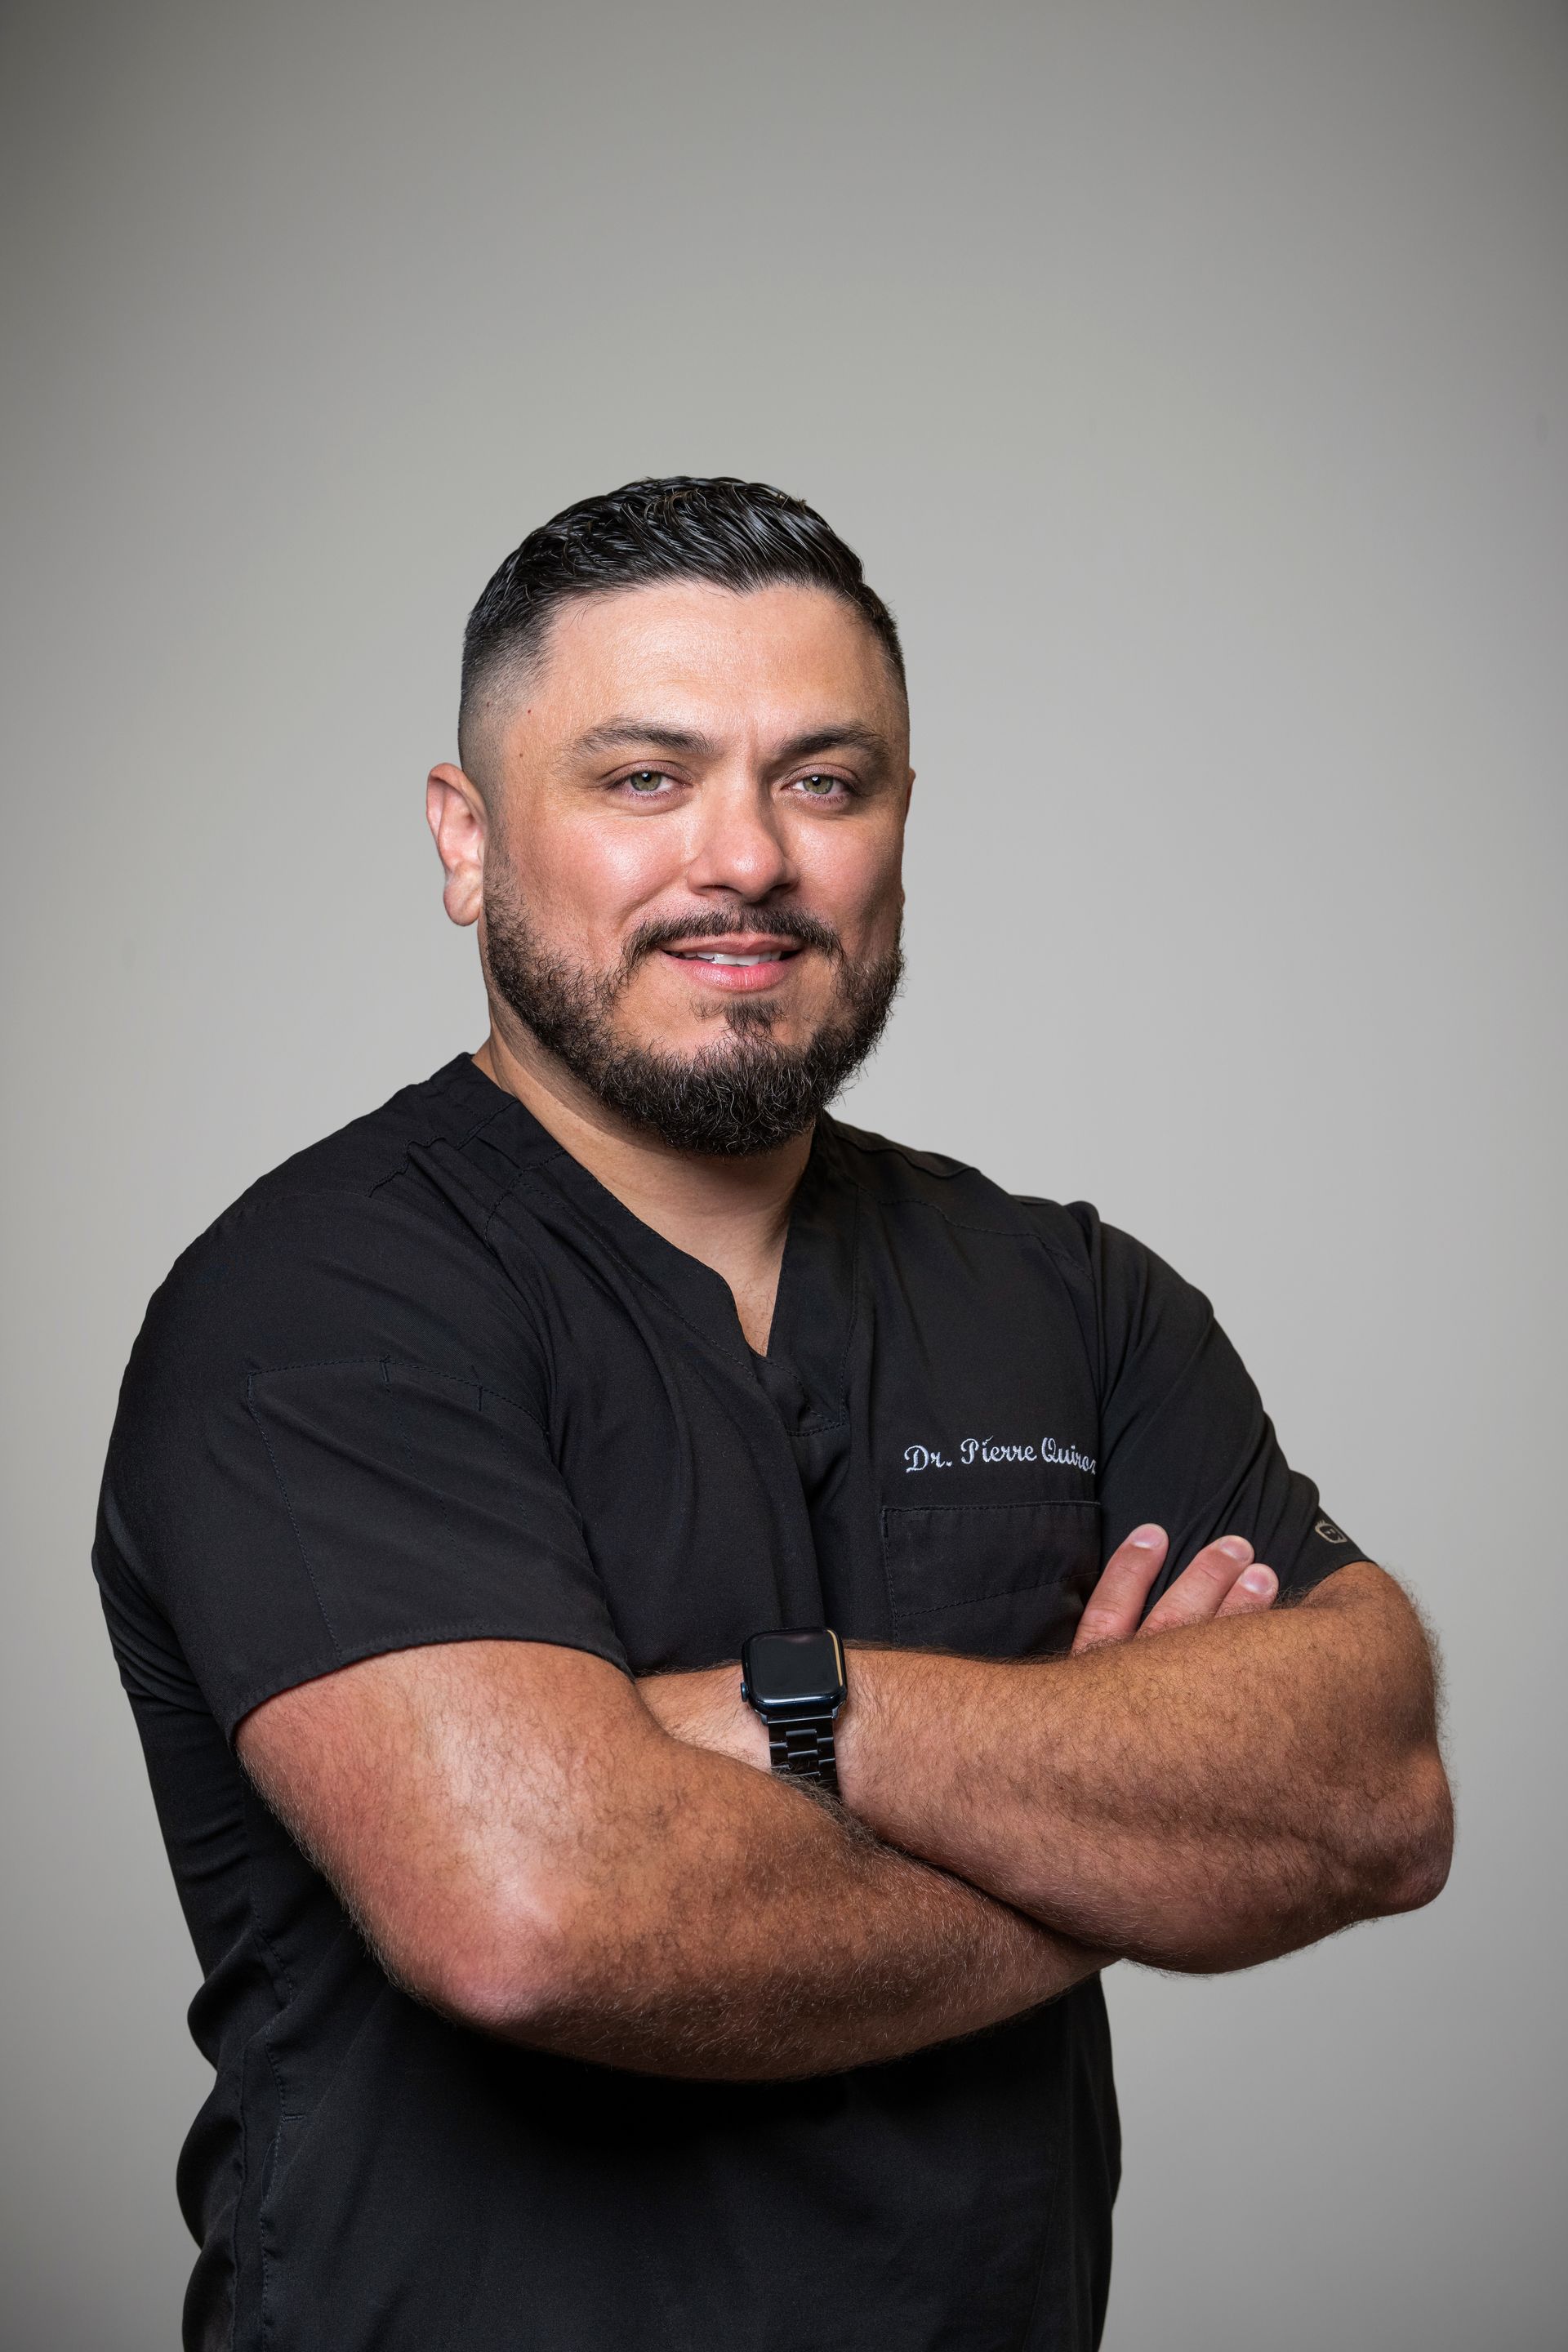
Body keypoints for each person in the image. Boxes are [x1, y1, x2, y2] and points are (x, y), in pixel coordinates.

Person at [93, 476, 1452, 2352]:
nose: (744, 858)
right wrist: (1129, 1858)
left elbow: (1374, 1794)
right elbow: (542, 1916)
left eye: (824, 780)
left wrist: (799, 1714)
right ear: (467, 838)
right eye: (645, 778)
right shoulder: (315, 1305)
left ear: (901, 827)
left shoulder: (1071, 1295)